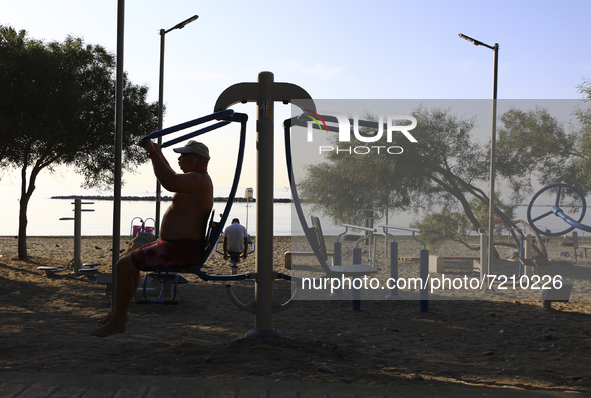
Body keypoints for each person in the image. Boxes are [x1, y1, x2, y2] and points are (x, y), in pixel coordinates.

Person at [90, 139, 213, 337]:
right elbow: (172, 175)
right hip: (174, 245)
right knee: (128, 265)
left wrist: (153, 154)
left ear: (196, 159)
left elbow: (169, 181)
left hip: (180, 250)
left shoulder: (197, 179)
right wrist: (157, 151)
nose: (179, 159)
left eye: (183, 156)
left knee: (123, 266)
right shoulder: (195, 178)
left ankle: (118, 320)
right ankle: (120, 315)